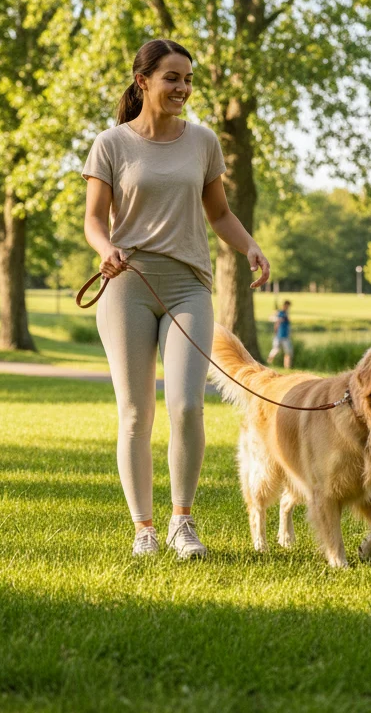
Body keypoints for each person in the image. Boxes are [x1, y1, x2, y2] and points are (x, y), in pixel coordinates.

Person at [83, 38, 270, 560]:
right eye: (172, 78)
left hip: (190, 284)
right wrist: (106, 249)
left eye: (188, 79)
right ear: (143, 81)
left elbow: (220, 214)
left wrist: (250, 244)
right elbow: (94, 220)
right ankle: (144, 528)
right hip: (128, 286)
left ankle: (181, 523)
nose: (183, 88)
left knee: (188, 406)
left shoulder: (203, 141)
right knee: (136, 414)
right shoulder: (111, 144)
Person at [267, 300, 293, 369]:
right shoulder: (280, 313)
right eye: (287, 306)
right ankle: (269, 362)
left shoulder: (286, 314)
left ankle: (287, 367)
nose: (287, 307)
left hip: (285, 335)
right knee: (276, 350)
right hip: (279, 336)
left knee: (288, 352)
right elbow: (271, 319)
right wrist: (278, 319)